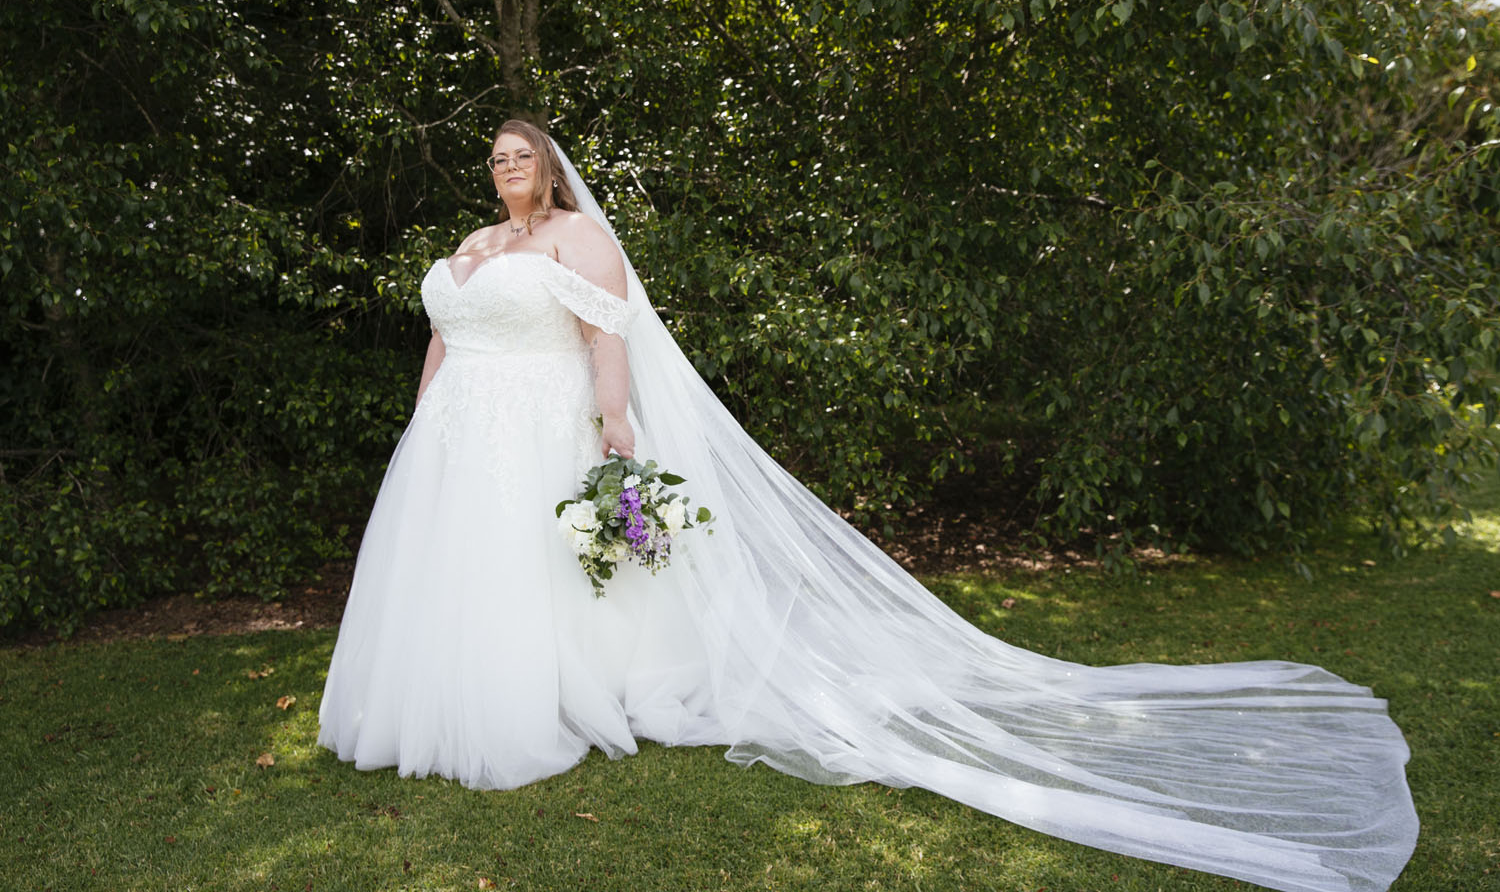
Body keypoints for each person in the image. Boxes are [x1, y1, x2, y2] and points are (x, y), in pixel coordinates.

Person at [318, 120, 1418, 892]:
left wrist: (618, 432)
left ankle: (542, 704)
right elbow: (443, 336)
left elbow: (608, 342)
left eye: (522, 156)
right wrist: (423, 420)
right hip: (460, 435)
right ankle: (440, 701)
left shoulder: (577, 239)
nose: (507, 168)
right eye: (497, 157)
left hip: (544, 426)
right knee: (461, 574)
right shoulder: (477, 247)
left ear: (548, 168)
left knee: (542, 576)